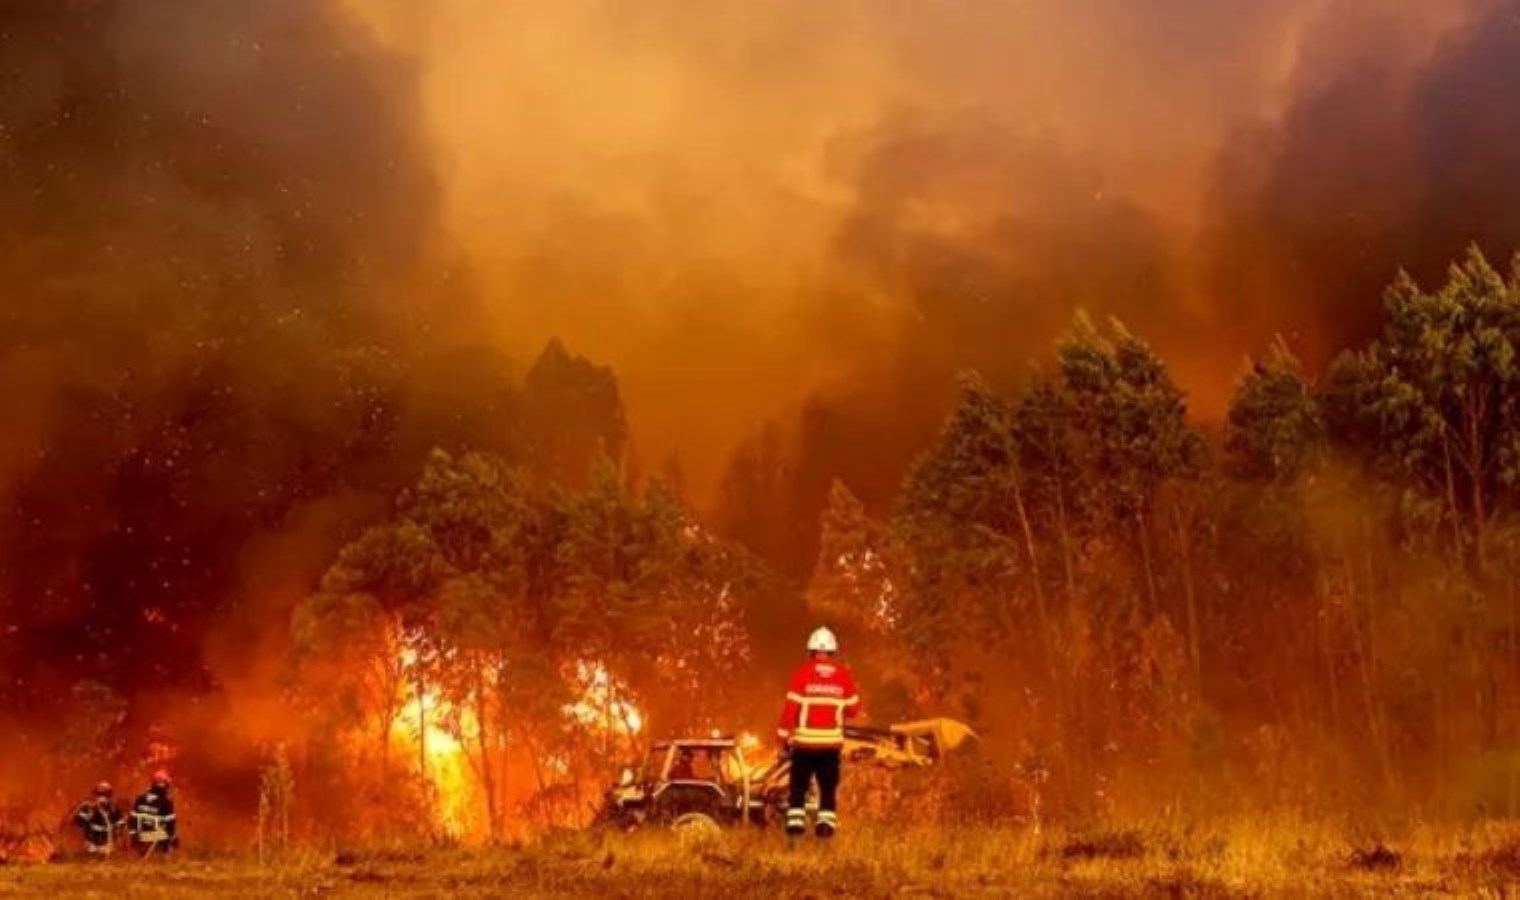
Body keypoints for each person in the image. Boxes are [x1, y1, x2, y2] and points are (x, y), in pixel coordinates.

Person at [776, 626, 862, 838]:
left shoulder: (802, 675)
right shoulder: (844, 677)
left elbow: (790, 710)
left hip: (804, 745)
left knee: (798, 787)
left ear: (811, 651)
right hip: (830, 747)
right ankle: (825, 828)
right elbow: (854, 710)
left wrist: (781, 736)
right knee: (828, 788)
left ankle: (795, 826)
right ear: (832, 652)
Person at [128, 770, 178, 856]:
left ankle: (141, 849)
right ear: (163, 785)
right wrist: (173, 839)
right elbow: (170, 826)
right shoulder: (166, 802)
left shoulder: (140, 798)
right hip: (155, 837)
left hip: (139, 836)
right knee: (174, 839)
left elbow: (132, 819)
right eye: (166, 784)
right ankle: (162, 852)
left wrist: (133, 835)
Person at [72, 781, 125, 856]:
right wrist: (89, 816)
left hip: (107, 843)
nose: (102, 798)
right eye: (99, 795)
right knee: (91, 858)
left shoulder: (114, 809)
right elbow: (78, 821)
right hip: (91, 843)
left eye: (106, 795)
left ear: (109, 797)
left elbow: (121, 822)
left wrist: (117, 831)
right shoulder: (88, 807)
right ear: (95, 796)